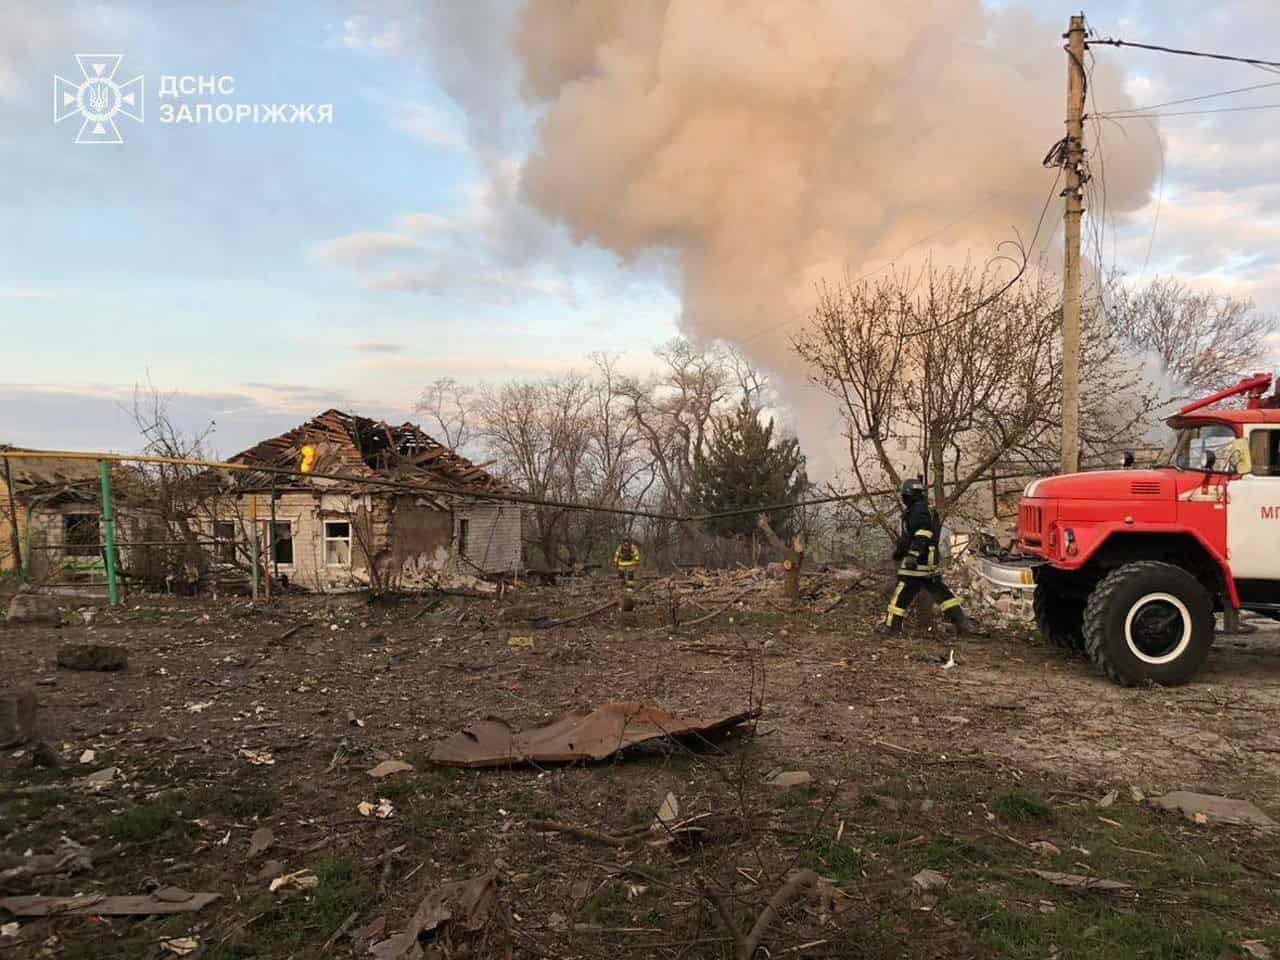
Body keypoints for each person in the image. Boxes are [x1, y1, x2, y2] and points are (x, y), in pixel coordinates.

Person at [882, 478, 968, 635]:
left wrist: (912, 555)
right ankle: (961, 624)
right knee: (942, 593)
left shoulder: (917, 511)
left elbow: (922, 533)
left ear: (908, 495)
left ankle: (892, 628)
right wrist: (899, 553)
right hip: (927, 560)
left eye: (904, 495)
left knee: (902, 594)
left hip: (918, 562)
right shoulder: (923, 509)